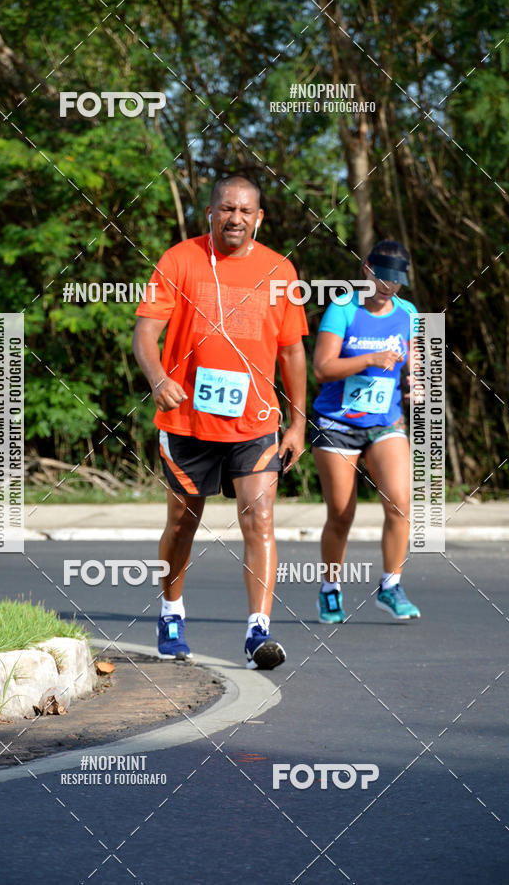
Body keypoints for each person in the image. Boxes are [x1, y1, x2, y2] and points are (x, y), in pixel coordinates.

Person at [132, 175, 308, 668]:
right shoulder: (179, 259)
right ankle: (171, 610)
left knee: (261, 518)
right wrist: (157, 377)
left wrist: (297, 423)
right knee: (182, 522)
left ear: (259, 218)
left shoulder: (280, 270)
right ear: (210, 213)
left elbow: (293, 351)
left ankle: (258, 633)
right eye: (226, 209)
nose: (236, 218)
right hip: (187, 422)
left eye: (245, 211)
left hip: (255, 423)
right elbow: (146, 334)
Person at [310, 239, 421, 623]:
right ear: (366, 270)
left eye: (396, 281)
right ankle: (330, 588)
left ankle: (391, 586)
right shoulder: (343, 308)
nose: (389, 287)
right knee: (342, 513)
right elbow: (322, 369)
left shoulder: (408, 313)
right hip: (338, 423)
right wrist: (370, 359)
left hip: (385, 423)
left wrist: (416, 383)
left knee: (400, 503)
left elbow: (415, 363)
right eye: (383, 278)